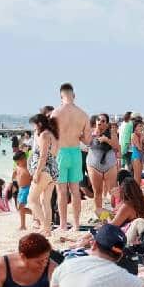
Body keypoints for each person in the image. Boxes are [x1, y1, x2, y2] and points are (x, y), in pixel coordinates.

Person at [50, 83, 90, 231]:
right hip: (76, 152)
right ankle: (77, 224)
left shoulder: (55, 113)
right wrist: (77, 135)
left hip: (61, 152)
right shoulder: (83, 114)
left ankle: (62, 225)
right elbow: (87, 141)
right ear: (74, 95)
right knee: (75, 190)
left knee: (61, 191)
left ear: (61, 96)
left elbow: (51, 138)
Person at [26, 113, 59, 236]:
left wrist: (37, 173)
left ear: (39, 124)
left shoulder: (44, 135)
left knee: (32, 200)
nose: (33, 128)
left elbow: (43, 156)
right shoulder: (53, 135)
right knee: (45, 201)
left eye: (34, 125)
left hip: (44, 170)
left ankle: (45, 227)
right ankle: (47, 229)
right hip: (53, 170)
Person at [86, 113, 119, 215]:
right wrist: (94, 134)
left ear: (107, 123)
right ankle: (101, 216)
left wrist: (106, 140)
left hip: (110, 164)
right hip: (93, 164)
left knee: (113, 191)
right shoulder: (91, 132)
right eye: (98, 120)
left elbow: (117, 147)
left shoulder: (112, 132)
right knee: (97, 192)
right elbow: (85, 142)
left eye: (103, 121)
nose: (100, 122)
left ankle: (115, 213)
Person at [13, 151, 32, 230]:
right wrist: (13, 185)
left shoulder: (29, 167)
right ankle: (36, 213)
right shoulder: (18, 167)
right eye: (16, 162)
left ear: (24, 159)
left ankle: (23, 225)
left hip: (27, 188)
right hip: (20, 189)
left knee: (21, 206)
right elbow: (14, 175)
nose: (17, 163)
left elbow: (33, 177)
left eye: (18, 161)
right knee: (19, 208)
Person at [129, 118, 144, 183]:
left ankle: (138, 191)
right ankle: (135, 191)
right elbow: (139, 148)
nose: (141, 127)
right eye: (140, 126)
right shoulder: (134, 135)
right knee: (137, 177)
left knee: (139, 177)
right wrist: (141, 140)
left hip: (141, 156)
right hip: (136, 157)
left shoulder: (140, 135)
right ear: (135, 127)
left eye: (142, 126)